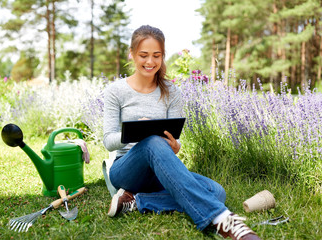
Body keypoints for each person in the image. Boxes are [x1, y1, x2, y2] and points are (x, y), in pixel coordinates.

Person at [103, 25, 261, 240]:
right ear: (132, 54)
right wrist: (135, 134)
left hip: (159, 171)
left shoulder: (172, 92)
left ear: (162, 56)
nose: (150, 62)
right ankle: (225, 222)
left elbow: (172, 141)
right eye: (143, 55)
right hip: (126, 169)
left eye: (156, 55)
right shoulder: (116, 91)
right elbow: (108, 141)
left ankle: (137, 201)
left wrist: (175, 147)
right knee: (151, 142)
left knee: (216, 192)